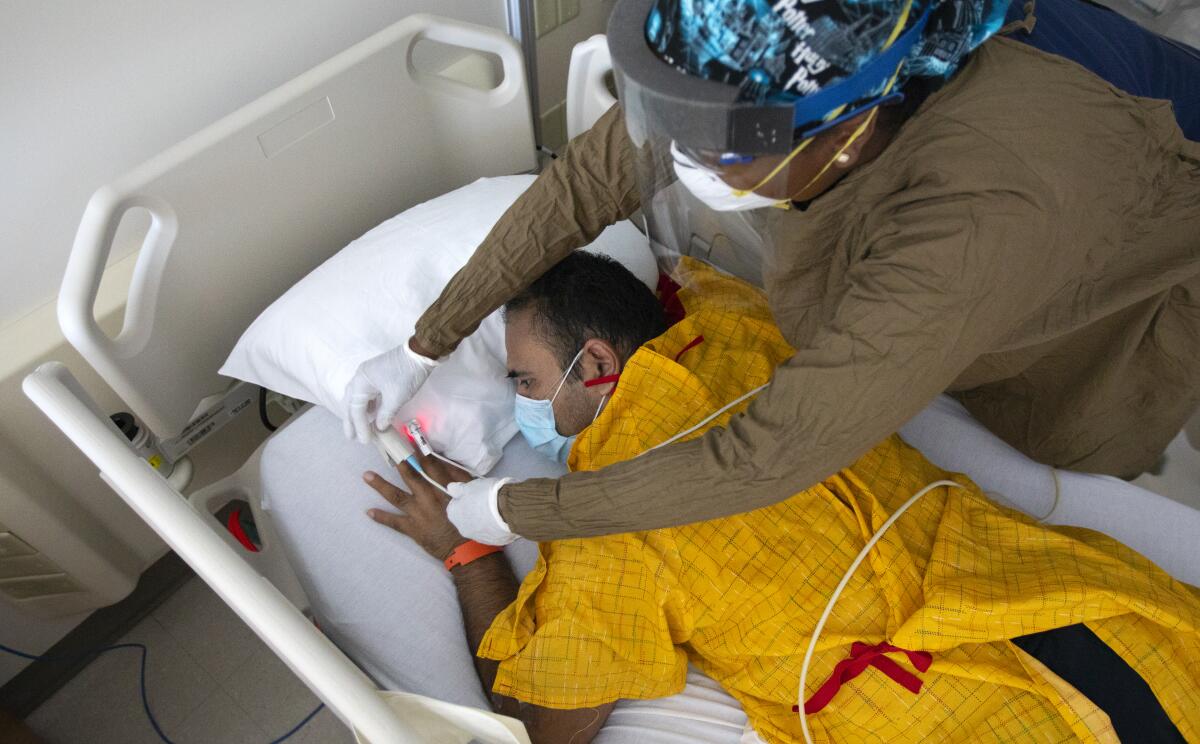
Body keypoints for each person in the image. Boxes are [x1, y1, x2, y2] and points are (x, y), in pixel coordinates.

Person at [347, 0, 1200, 545]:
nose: (676, 158)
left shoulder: (991, 206)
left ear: (846, 131)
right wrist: (429, 339)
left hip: (1143, 193)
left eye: (716, 150)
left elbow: (769, 452)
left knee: (1065, 406)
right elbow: (588, 179)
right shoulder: (762, 47)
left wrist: (507, 513)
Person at [363, 252, 1197, 743]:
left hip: (915, 693)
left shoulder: (610, 525)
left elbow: (547, 724)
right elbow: (686, 266)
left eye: (525, 381)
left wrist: (467, 556)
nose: (521, 408)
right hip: (1028, 577)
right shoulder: (743, 326)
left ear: (597, 365)